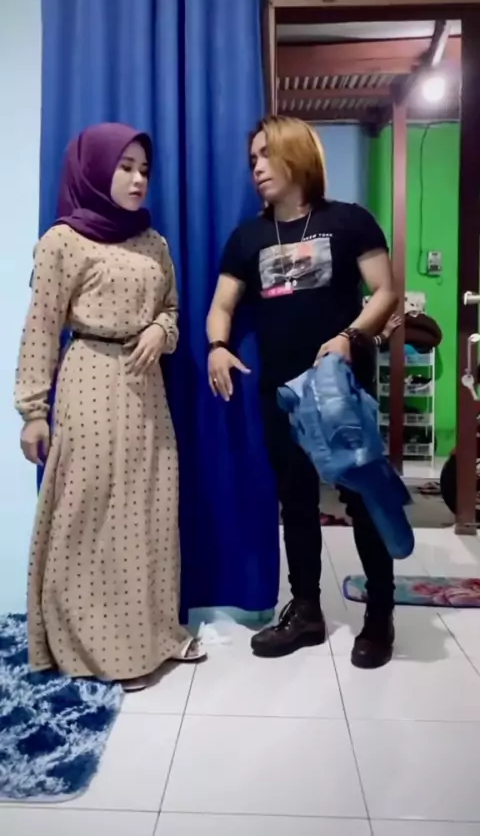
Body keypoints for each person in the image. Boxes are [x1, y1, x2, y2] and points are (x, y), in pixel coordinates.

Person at [15, 122, 204, 692]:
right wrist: (33, 411)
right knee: (91, 514)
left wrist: (161, 331)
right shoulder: (63, 241)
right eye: (125, 167)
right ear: (97, 170)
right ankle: (94, 647)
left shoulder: (153, 243)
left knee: (149, 509)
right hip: (89, 380)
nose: (138, 179)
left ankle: (152, 637)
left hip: (146, 390)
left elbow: (171, 308)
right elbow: (42, 327)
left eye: (144, 169)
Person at [207, 115, 399, 669]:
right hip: (282, 391)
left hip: (340, 386)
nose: (257, 167)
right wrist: (218, 346)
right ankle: (307, 611)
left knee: (363, 499)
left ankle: (380, 613)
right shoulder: (248, 237)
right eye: (252, 159)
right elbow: (221, 306)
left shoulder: (349, 221)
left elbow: (385, 291)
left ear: (297, 155)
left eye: (266, 154)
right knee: (295, 499)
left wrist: (348, 337)